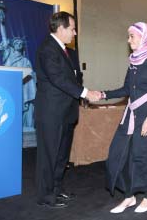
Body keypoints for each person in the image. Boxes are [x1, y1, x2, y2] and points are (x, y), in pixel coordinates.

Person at [34, 11, 99, 208]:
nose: (75, 33)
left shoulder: (66, 51)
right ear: (61, 28)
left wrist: (80, 96)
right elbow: (58, 79)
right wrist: (86, 93)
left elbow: (73, 79)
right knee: (49, 156)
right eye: (72, 28)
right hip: (51, 113)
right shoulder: (47, 49)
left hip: (66, 113)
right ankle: (45, 196)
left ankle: (56, 189)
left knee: (61, 155)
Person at [102, 22, 147, 213]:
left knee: (142, 156)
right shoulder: (133, 62)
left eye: (132, 36)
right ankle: (129, 197)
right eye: (128, 37)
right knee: (117, 154)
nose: (128, 41)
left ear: (145, 37)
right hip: (130, 116)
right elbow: (126, 89)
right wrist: (103, 94)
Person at [0, 1, 36, 131]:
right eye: (16, 42)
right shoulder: (8, 54)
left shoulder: (26, 61)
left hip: (24, 89)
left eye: (21, 42)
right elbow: (4, 37)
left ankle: (26, 126)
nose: (19, 43)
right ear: (13, 45)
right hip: (10, 87)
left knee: (27, 108)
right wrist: (1, 22)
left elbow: (31, 76)